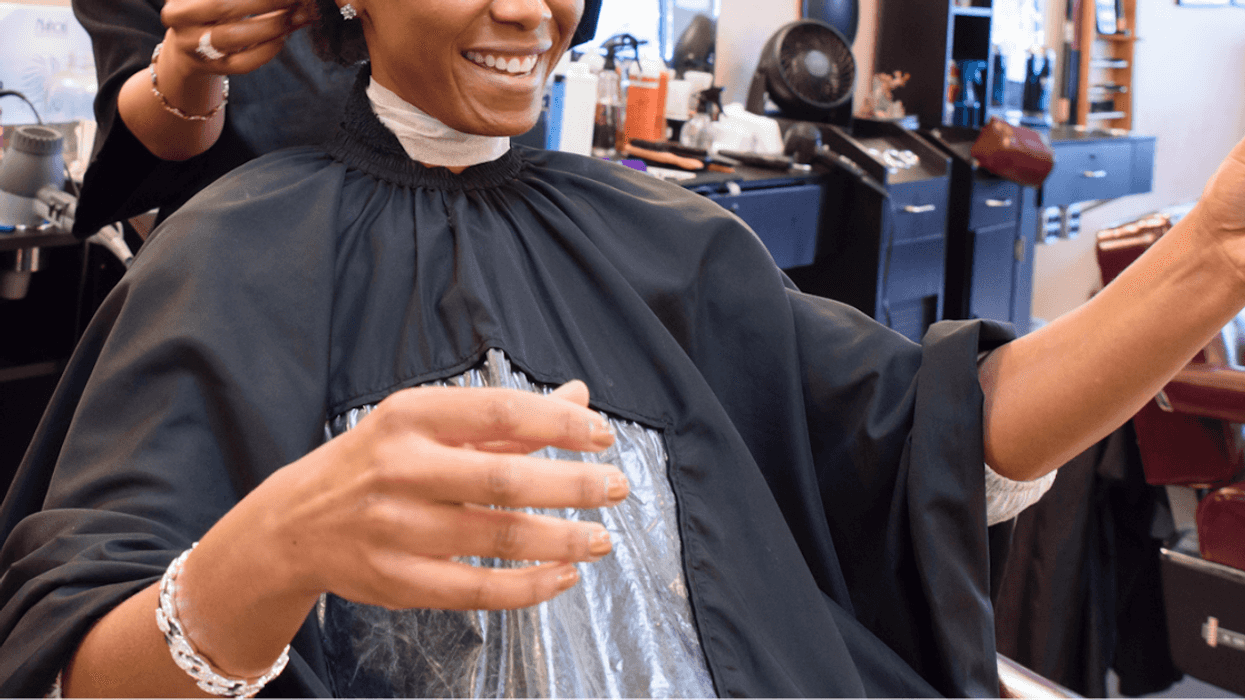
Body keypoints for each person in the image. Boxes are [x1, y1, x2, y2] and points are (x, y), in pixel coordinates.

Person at [2, 0, 1244, 695]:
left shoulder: (672, 238)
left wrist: (1211, 257)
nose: (523, 8)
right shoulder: (233, 254)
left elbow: (937, 431)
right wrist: (274, 550)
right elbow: (79, 666)